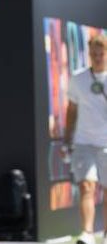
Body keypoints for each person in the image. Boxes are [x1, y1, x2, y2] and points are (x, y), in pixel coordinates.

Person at [63, 34, 107, 244]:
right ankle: (87, 233)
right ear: (89, 54)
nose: (97, 57)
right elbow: (71, 110)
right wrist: (67, 136)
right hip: (83, 141)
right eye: (94, 54)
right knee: (86, 186)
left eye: (101, 54)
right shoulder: (78, 78)